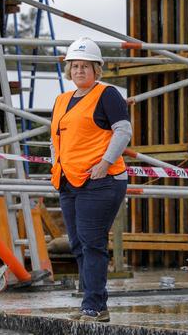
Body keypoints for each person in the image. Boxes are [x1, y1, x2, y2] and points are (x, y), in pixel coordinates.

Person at [50, 37, 131, 322]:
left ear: (97, 69)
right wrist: (55, 165)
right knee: (78, 244)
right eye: (75, 66)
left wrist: (105, 162)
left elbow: (123, 131)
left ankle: (91, 305)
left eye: (86, 66)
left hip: (102, 181)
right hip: (69, 182)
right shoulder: (61, 100)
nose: (80, 71)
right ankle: (97, 303)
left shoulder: (107, 95)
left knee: (92, 242)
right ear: (69, 69)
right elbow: (56, 140)